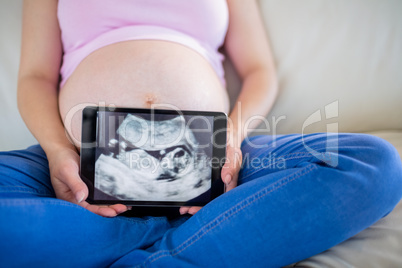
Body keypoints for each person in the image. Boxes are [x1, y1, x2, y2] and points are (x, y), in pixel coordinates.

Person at [1, 0, 401, 267]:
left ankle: (137, 247)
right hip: (76, 164)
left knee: (373, 164)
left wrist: (231, 139)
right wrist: (57, 152)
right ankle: (185, 237)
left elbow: (260, 71)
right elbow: (35, 77)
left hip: (216, 162)